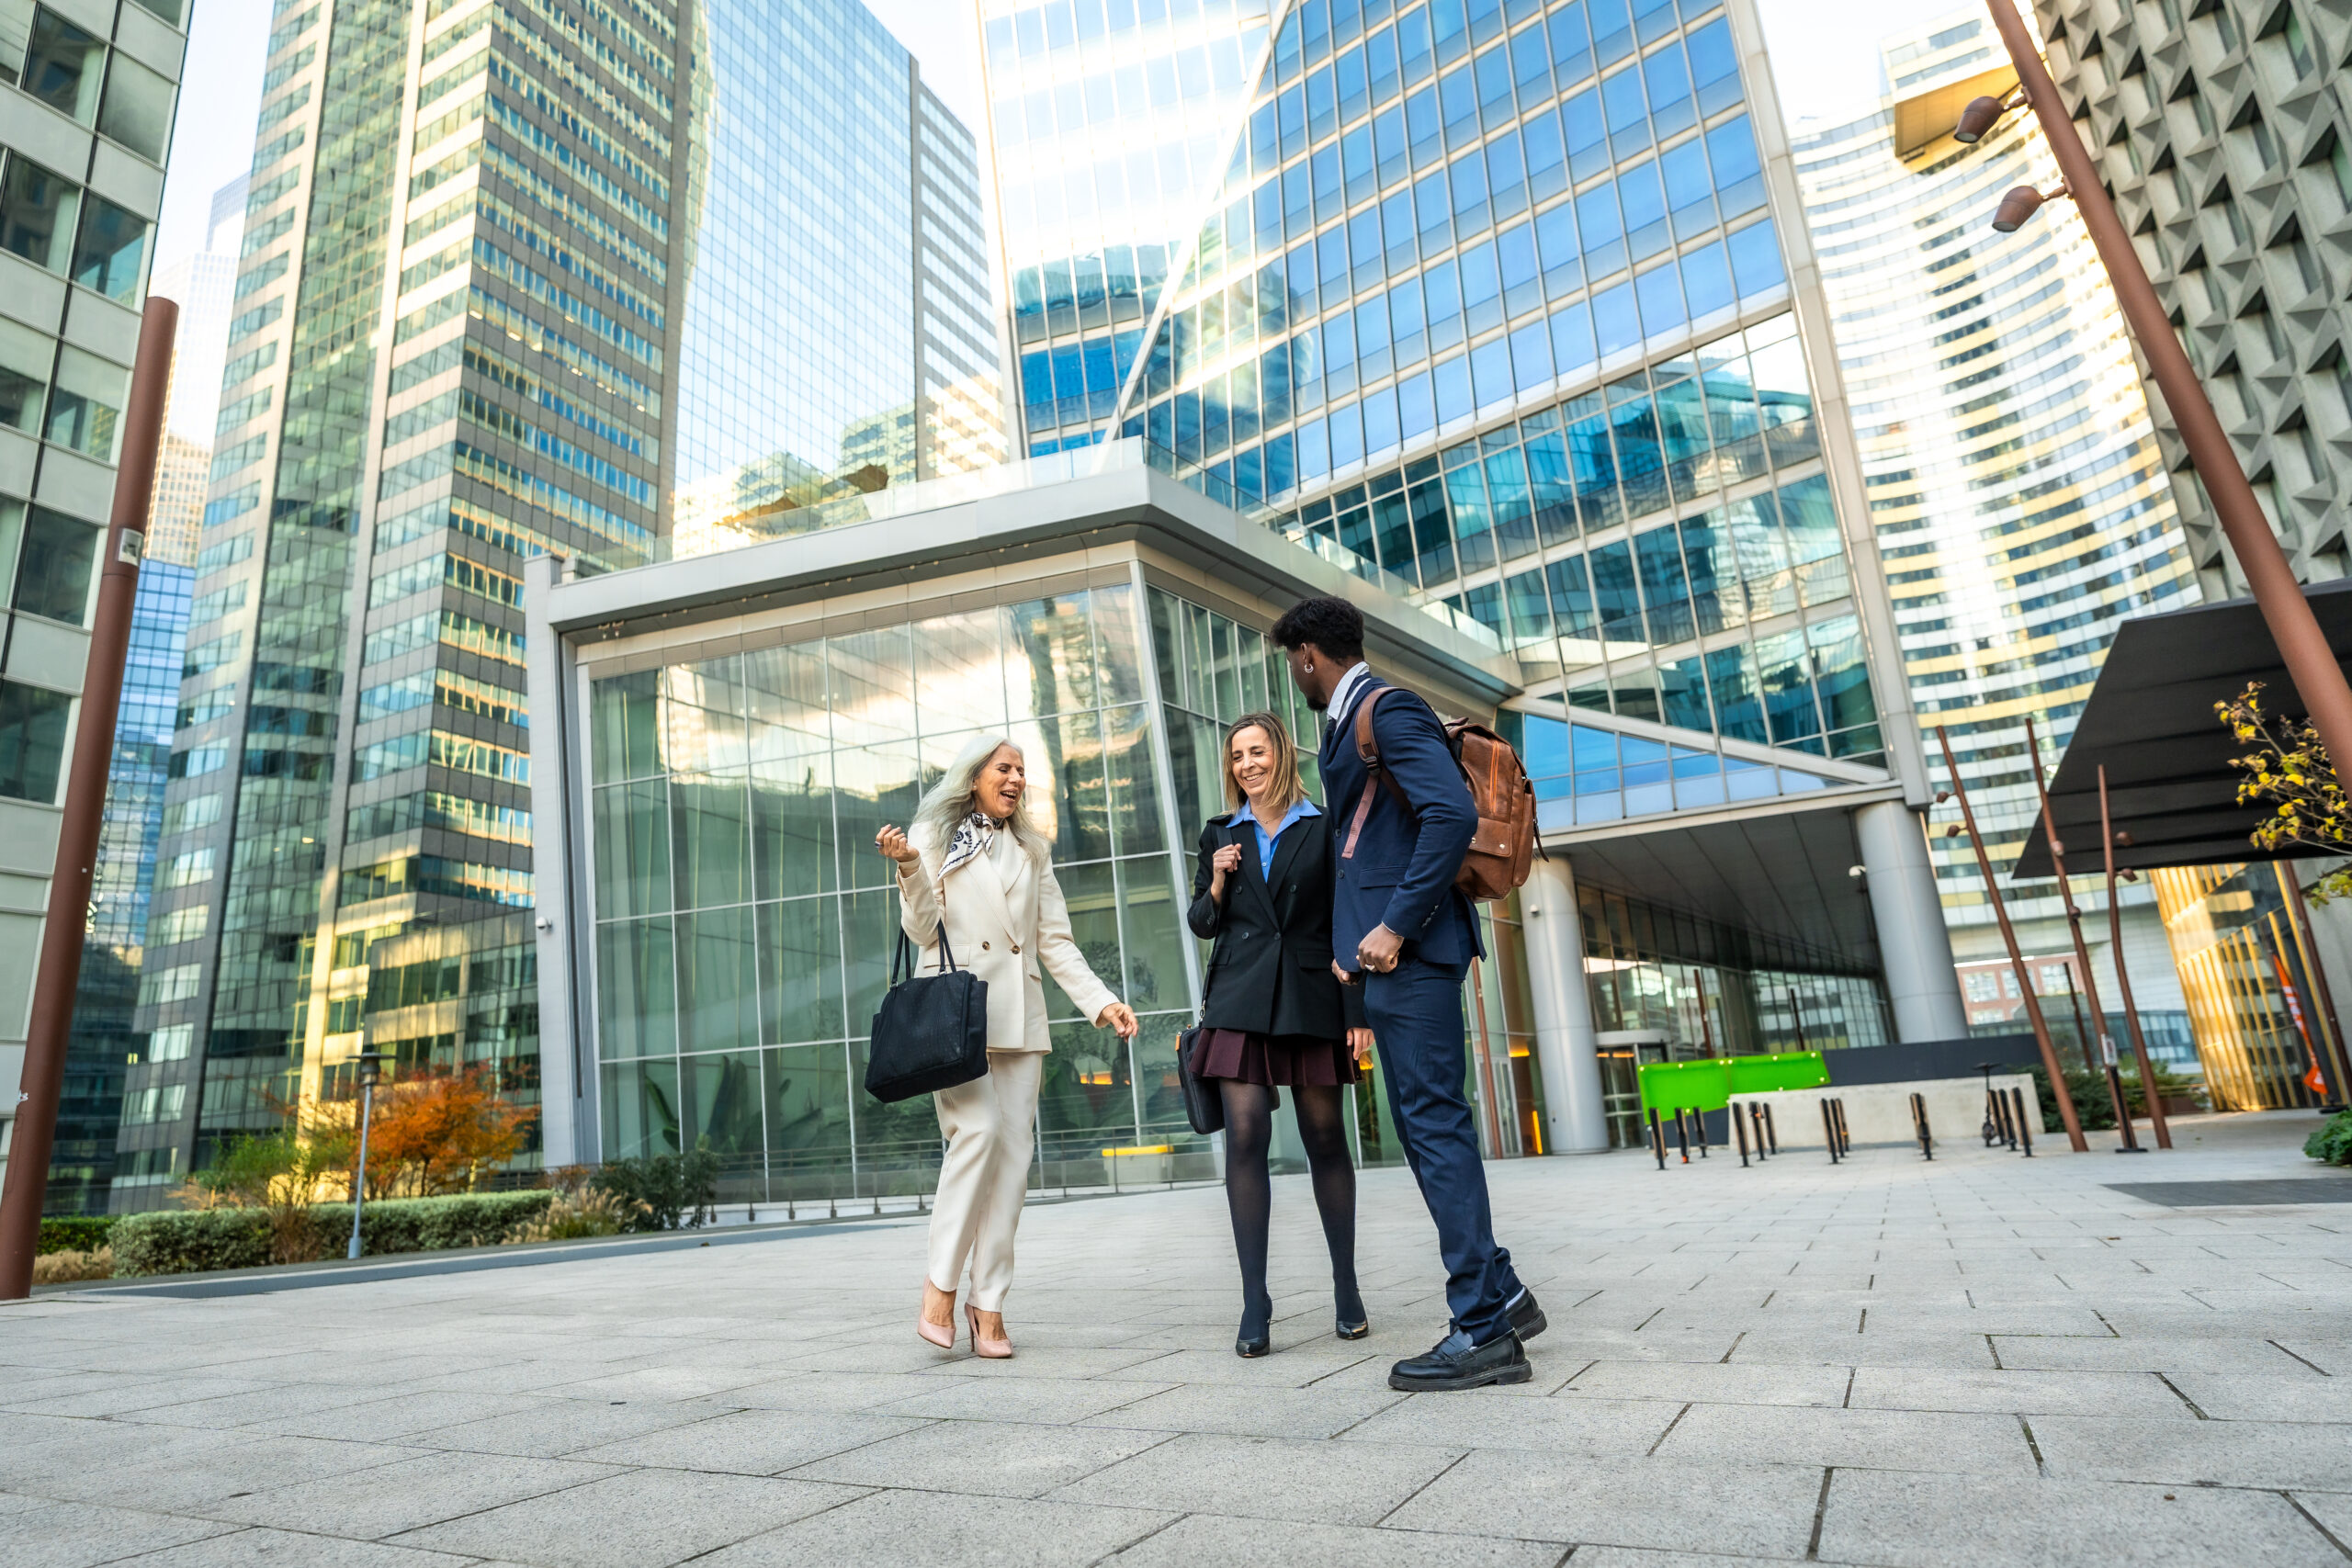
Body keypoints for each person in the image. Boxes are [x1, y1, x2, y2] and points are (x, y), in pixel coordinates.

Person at [1270, 594, 1547, 1393]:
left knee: (1434, 1128)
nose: (1296, 677)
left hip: (1414, 955)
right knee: (1430, 1128)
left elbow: (1450, 813)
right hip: (1392, 962)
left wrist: (1393, 924)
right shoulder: (1356, 718)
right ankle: (1502, 1293)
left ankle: (1484, 1332)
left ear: (1309, 656)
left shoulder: (1385, 711)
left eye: (1295, 663)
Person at [877, 734, 1138, 1359]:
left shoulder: (1032, 849)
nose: (1017, 777)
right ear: (974, 777)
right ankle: (940, 1286)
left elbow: (1055, 940)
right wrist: (910, 866)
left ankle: (987, 1300)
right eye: (1005, 767)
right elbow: (919, 929)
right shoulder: (933, 837)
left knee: (1013, 1165)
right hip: (957, 1017)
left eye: (1022, 769)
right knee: (979, 1134)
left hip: (1020, 1019)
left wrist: (1100, 999)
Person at [1187, 712, 1376, 1358]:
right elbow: (1203, 922)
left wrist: (1356, 1011)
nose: (1247, 764)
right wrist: (1216, 877)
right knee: (1246, 1134)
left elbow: (1345, 919)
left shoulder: (1322, 827)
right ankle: (1254, 1299)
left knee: (1325, 1135)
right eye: (1237, 755)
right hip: (1241, 999)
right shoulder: (1221, 831)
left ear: (1280, 755)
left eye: (1257, 751)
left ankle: (1346, 1285)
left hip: (1311, 995)